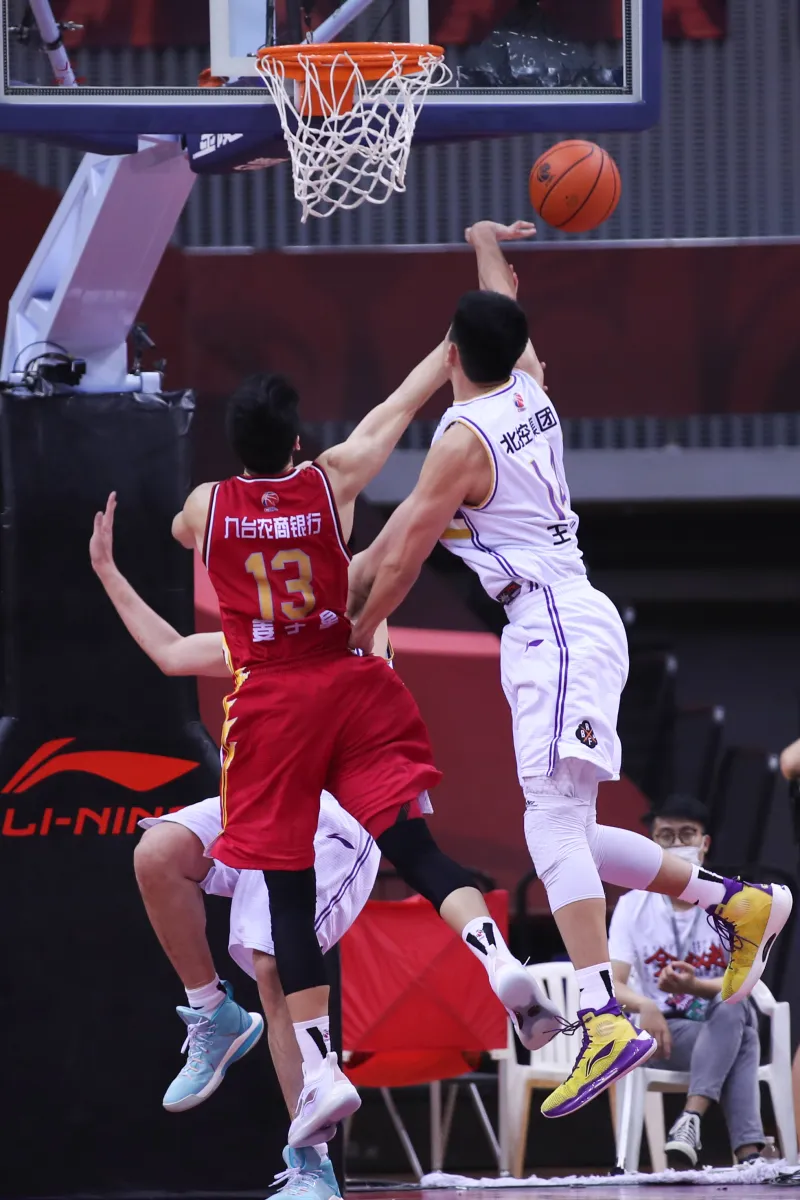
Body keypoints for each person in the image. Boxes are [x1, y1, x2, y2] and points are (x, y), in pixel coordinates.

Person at [345, 218, 793, 1119]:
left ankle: (600, 1017)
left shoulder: (461, 439)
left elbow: (400, 560)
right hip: (573, 614)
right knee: (572, 836)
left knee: (550, 826)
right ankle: (734, 901)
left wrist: (356, 635)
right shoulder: (529, 386)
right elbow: (505, 314)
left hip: (550, 626)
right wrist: (485, 243)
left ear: (451, 354)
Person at [170, 346, 562, 1150]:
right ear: (296, 442)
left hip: (273, 706)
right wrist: (446, 355)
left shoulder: (208, 506)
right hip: (350, 684)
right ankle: (497, 960)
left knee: (286, 891)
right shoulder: (330, 480)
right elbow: (395, 412)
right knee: (415, 848)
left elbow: (182, 530)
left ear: (236, 444)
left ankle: (321, 1072)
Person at [90, 493, 382, 1199]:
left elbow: (374, 556)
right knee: (157, 853)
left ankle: (313, 1170)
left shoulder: (352, 621)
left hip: (332, 818)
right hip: (256, 804)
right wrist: (107, 571)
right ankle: (214, 1012)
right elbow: (170, 653)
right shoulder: (259, 636)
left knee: (276, 967)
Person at [609, 796, 766, 1168]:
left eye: (687, 834)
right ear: (652, 844)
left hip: (717, 1021)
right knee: (744, 1036)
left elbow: (745, 981)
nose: (677, 844)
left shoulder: (732, 903)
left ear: (704, 843)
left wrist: (695, 987)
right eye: (666, 836)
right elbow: (614, 983)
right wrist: (645, 1004)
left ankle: (690, 1118)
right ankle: (748, 1155)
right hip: (663, 1034)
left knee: (733, 1010)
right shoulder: (633, 906)